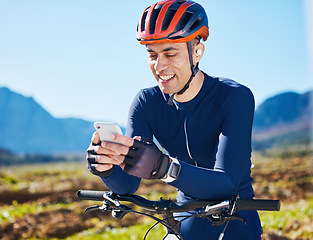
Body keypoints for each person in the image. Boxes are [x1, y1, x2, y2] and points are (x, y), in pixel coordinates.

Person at [86, 0, 262, 239]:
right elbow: (129, 185)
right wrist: (106, 168)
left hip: (235, 218)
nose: (159, 66)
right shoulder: (146, 102)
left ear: (197, 52)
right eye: (152, 54)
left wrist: (164, 167)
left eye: (170, 53)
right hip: (186, 219)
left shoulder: (234, 97)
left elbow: (227, 182)